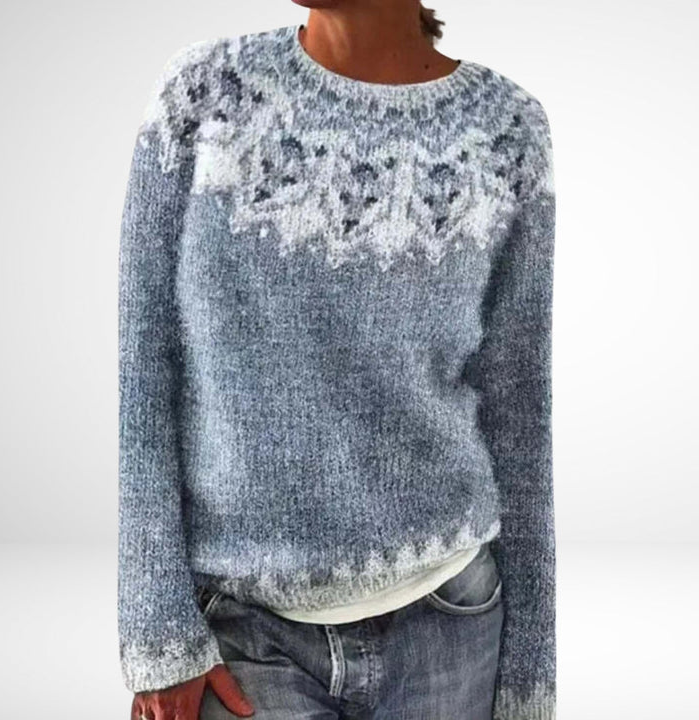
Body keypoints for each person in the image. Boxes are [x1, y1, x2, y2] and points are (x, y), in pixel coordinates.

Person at [117, 2, 557, 719]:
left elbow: (519, 409)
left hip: (451, 623)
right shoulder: (206, 94)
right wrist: (158, 633)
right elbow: (145, 372)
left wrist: (528, 685)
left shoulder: (505, 129)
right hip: (240, 631)